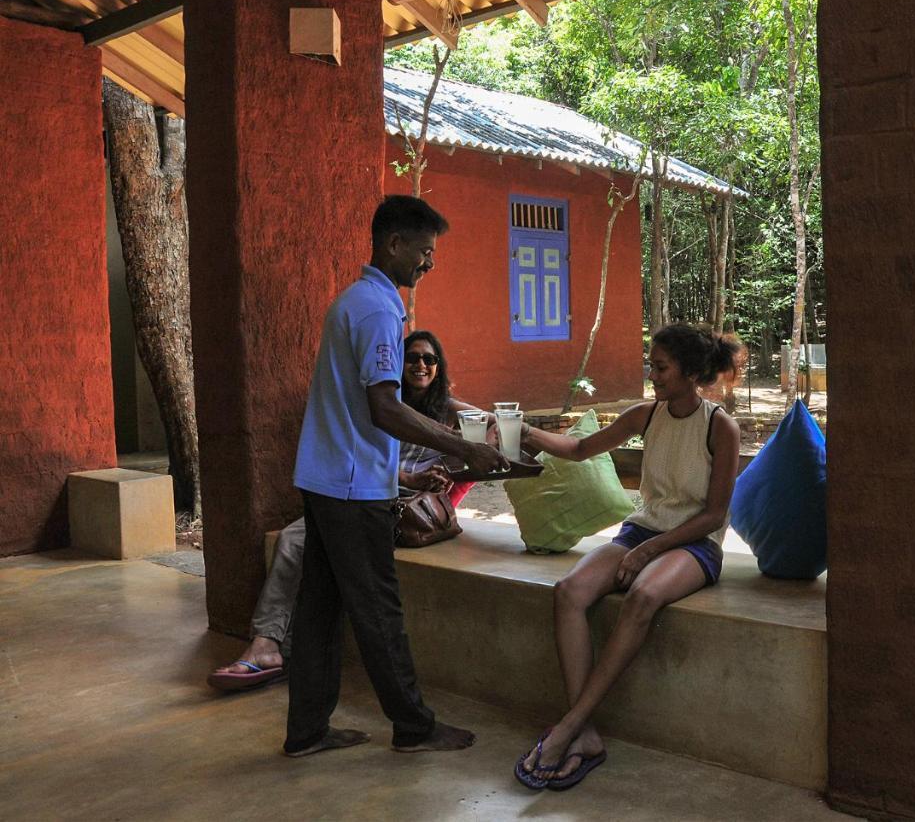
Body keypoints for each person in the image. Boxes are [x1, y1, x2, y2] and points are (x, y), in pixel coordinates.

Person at [283, 195, 506, 759]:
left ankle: (307, 731)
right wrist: (463, 449)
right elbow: (385, 406)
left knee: (319, 611)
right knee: (379, 609)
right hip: (353, 487)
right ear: (394, 244)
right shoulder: (379, 311)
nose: (428, 264)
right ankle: (413, 726)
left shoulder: (356, 301)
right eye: (425, 252)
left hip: (326, 477)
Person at [514, 323, 743, 790]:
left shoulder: (720, 426)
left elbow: (715, 514)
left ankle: (567, 728)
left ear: (691, 372)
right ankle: (584, 732)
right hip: (643, 531)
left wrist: (651, 550)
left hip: (695, 543)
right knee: (570, 591)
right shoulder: (646, 414)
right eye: (651, 366)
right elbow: (579, 449)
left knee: (642, 596)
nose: (651, 375)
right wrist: (523, 432)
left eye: (660, 367)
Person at [206, 329, 476, 692]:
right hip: (361, 495)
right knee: (292, 540)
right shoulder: (380, 405)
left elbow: (497, 430)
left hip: (402, 513)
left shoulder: (450, 413)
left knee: (319, 551)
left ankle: (271, 650)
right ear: (398, 363)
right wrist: (409, 475)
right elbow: (360, 455)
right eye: (412, 357)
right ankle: (269, 645)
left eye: (429, 359)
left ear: (439, 367)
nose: (421, 365)